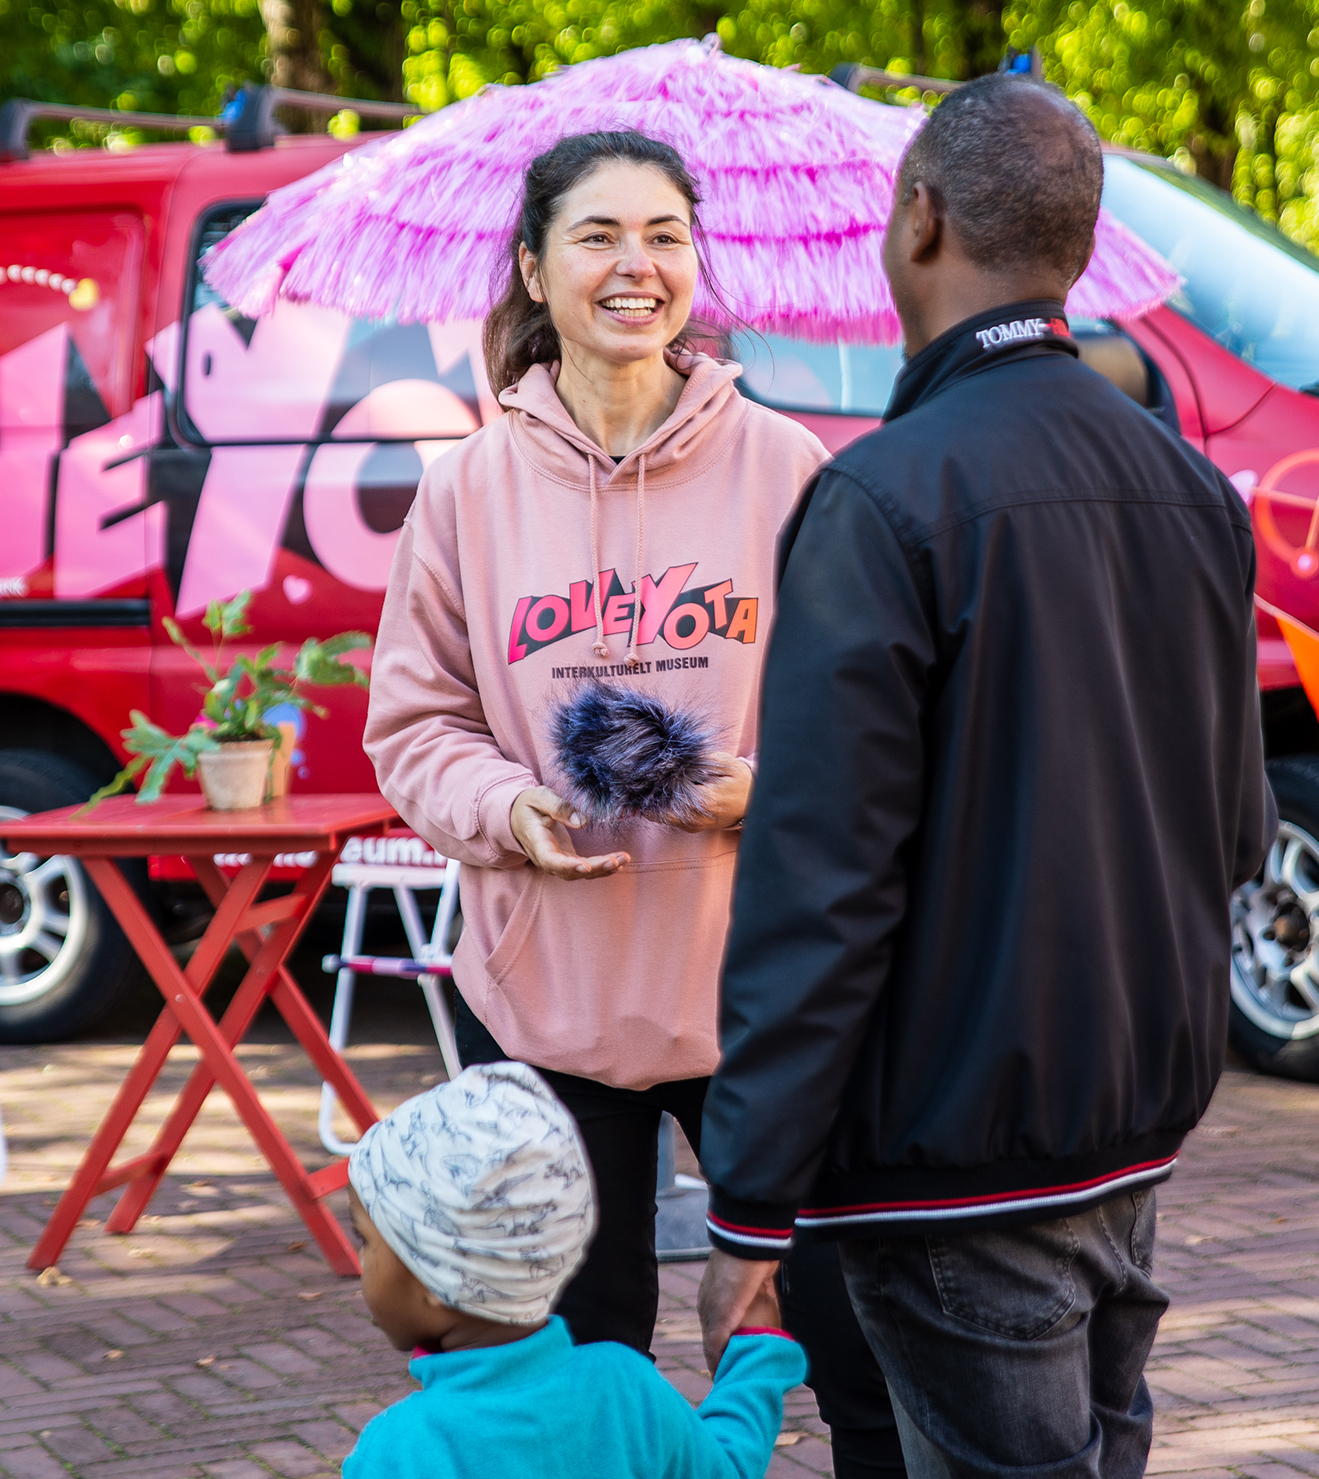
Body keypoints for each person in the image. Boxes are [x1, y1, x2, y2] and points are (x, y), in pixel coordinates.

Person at [696, 74, 1276, 1479]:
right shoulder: (1189, 487)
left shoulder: (882, 496)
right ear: (1073, 246)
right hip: (1129, 1128)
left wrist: (746, 1215)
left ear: (920, 219)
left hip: (953, 1162)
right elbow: (1238, 824)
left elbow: (819, 880)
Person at [364, 130, 905, 1477]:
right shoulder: (467, 492)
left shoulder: (786, 468)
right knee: (572, 1364)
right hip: (547, 1002)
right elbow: (413, 723)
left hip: (761, 996)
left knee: (840, 1340)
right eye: (599, 235)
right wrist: (503, 806)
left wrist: (759, 796)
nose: (635, 265)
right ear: (535, 267)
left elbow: (878, 727)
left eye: (664, 234)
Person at [341, 1061, 805, 1478]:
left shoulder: (401, 1448)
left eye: (367, 1240)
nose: (361, 1262)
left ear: (433, 1277)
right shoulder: (624, 1387)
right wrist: (755, 1358)